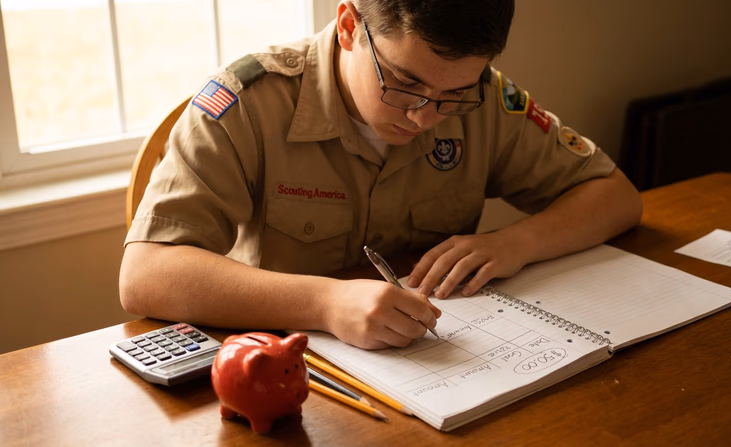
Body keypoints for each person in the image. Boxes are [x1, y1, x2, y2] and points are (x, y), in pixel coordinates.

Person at [119, 0, 642, 350]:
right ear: (349, 26)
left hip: (442, 366)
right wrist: (325, 302)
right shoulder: (249, 101)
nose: (424, 115)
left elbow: (616, 197)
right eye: (405, 83)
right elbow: (144, 275)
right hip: (290, 369)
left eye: (453, 94)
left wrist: (517, 242)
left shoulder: (482, 98)